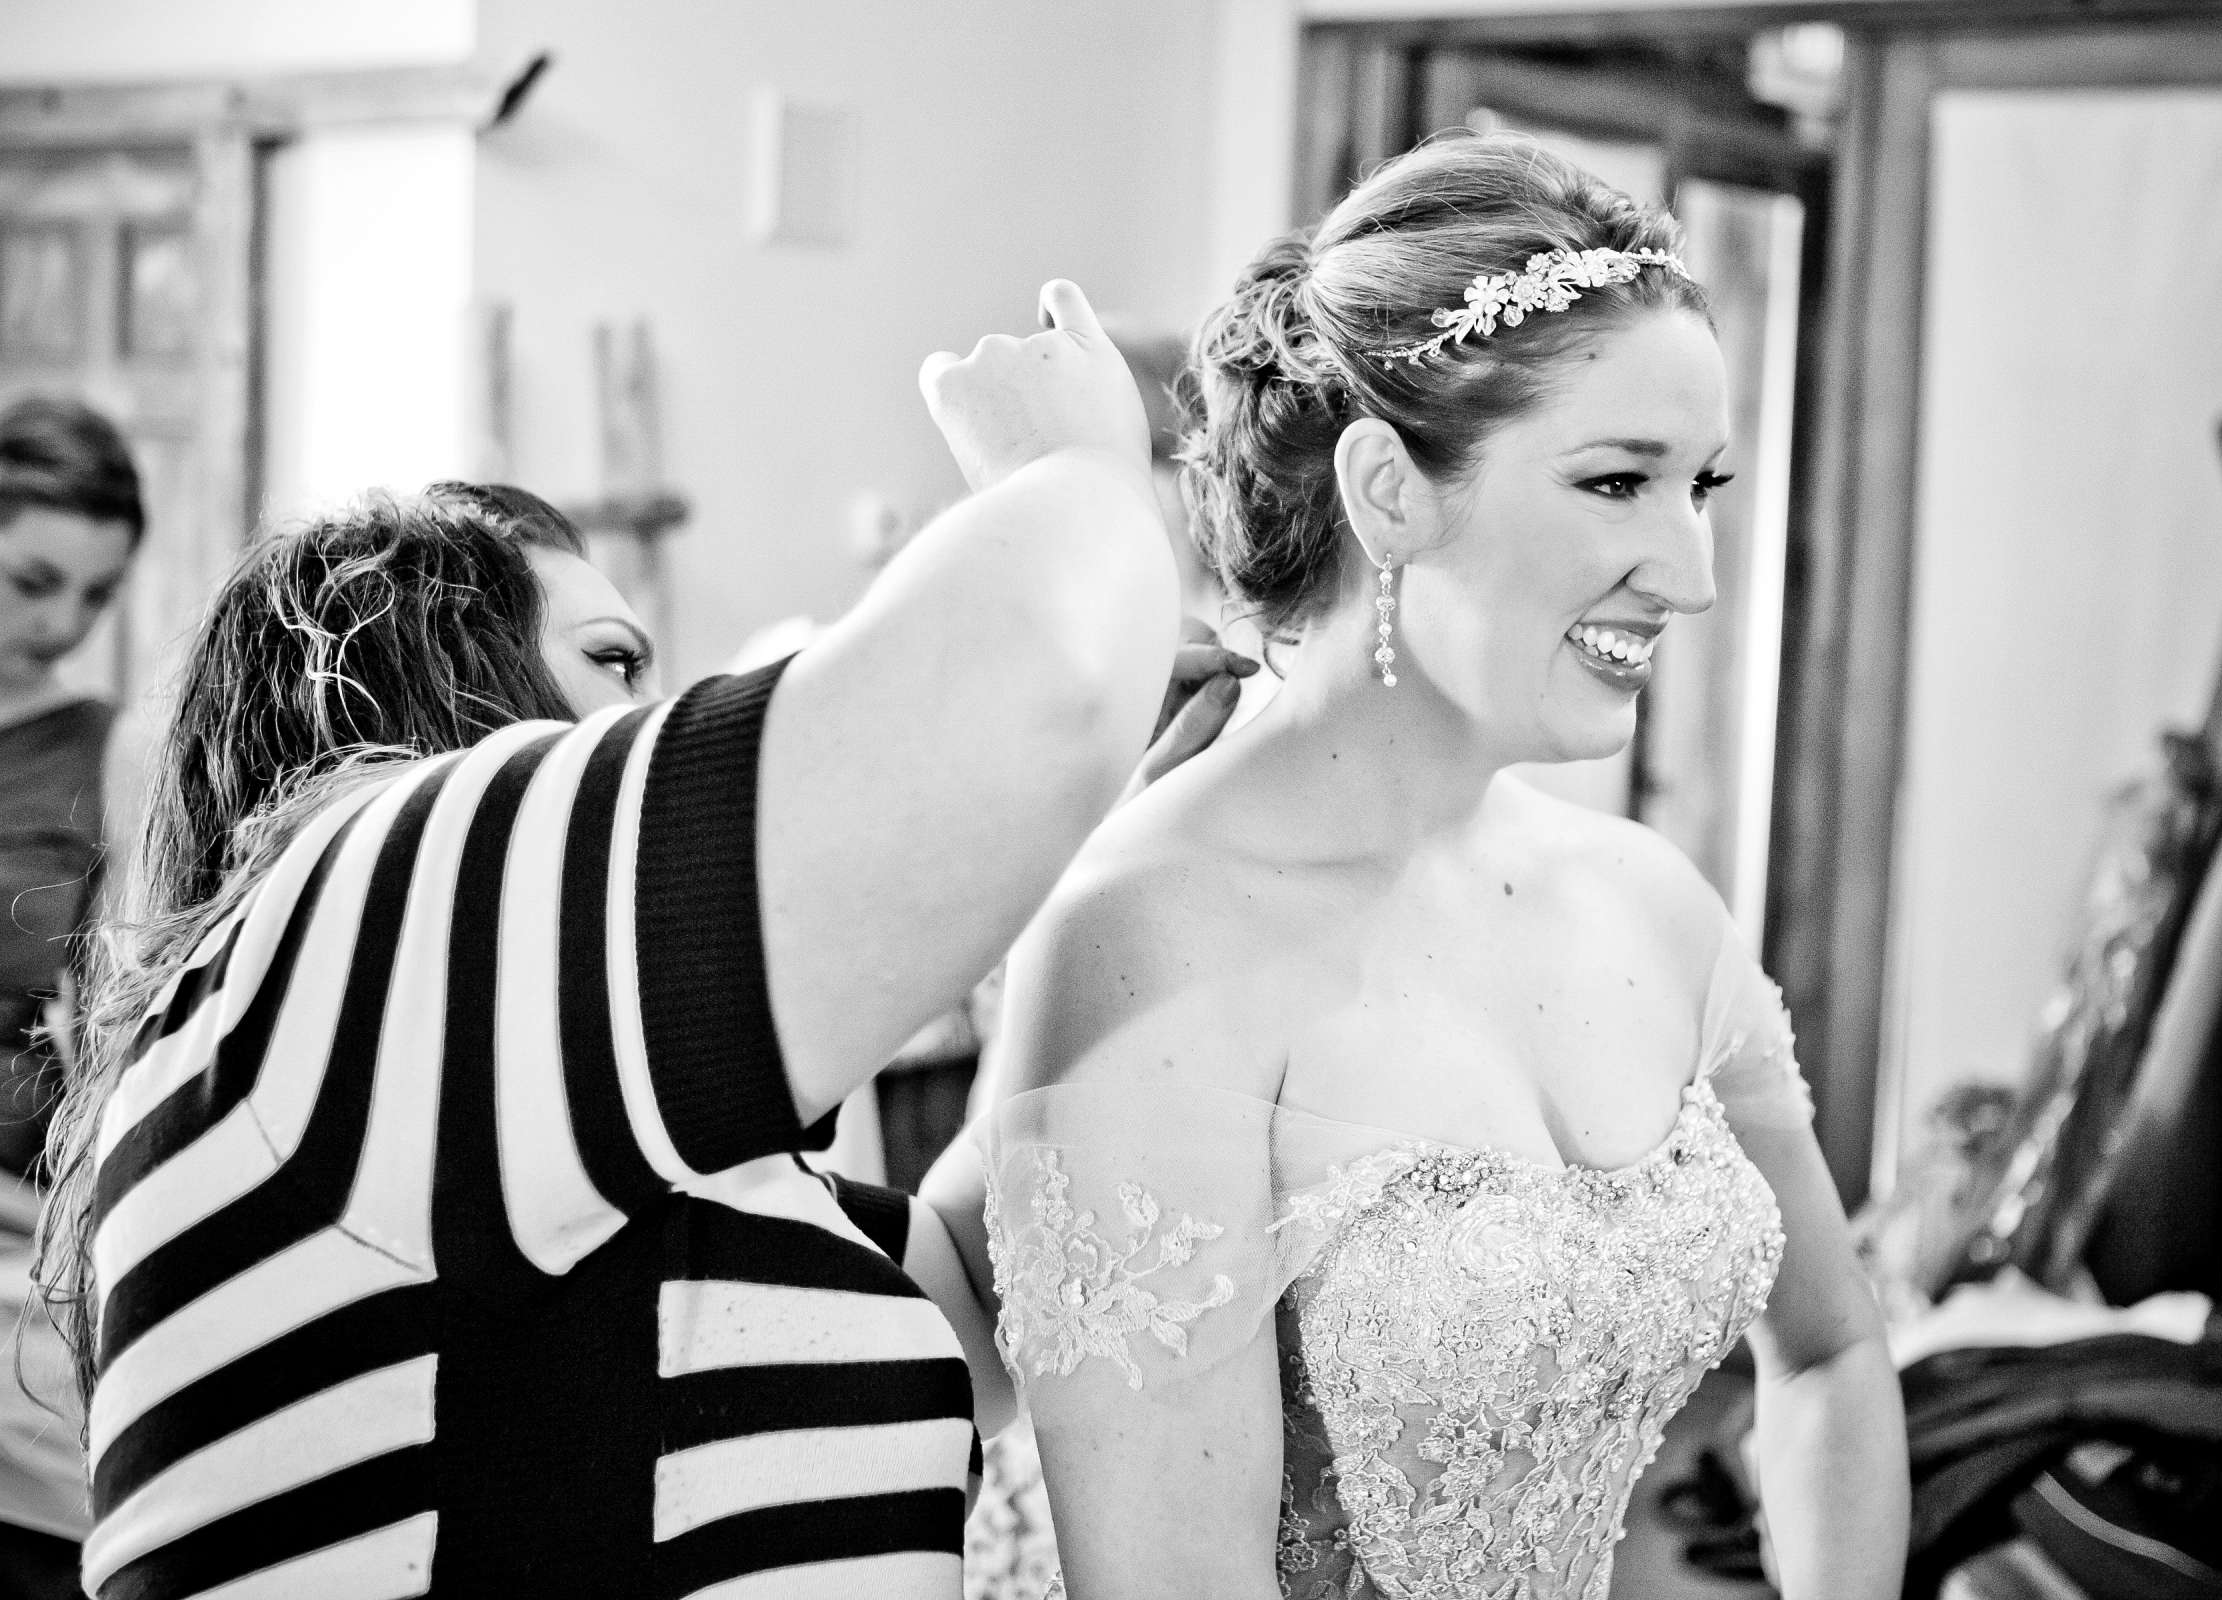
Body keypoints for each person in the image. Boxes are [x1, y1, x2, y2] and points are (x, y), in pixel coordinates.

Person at [40, 283, 1185, 1599]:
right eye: (615, 661)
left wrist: (1118, 869)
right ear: (427, 696)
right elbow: (1047, 661)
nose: (673, 706)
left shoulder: (574, 1125)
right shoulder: (365, 912)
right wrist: (1071, 469)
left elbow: (989, 1311)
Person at [924, 135, 1907, 1600]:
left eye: (1698, 485)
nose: (1693, 571)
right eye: (1619, 482)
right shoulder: (1152, 937)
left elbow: (1830, 1352)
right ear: (1386, 489)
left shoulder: (1653, 902)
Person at [0, 396, 143, 1599]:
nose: (59, 626)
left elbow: (120, 1032)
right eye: (31, 580)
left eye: (94, 597)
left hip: (26, 1237)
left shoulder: (112, 748)